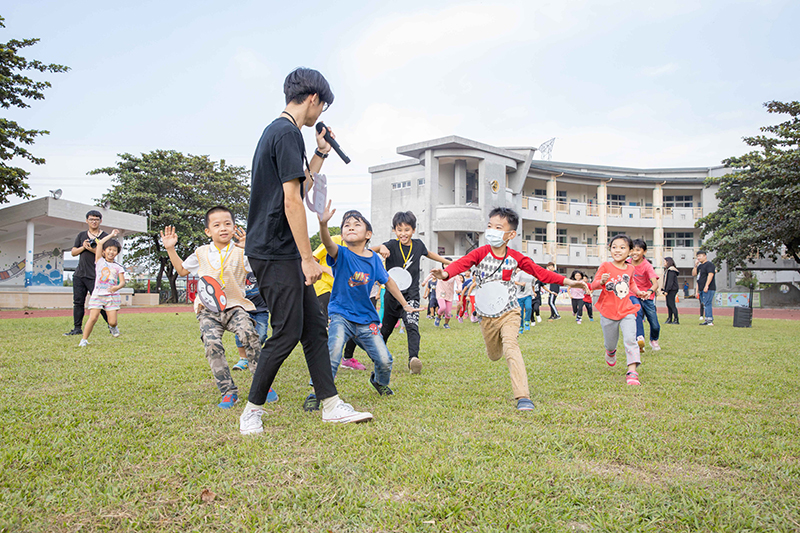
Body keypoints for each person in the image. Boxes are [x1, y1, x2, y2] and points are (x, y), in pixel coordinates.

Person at [240, 68, 372, 435]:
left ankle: (330, 404)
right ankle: (252, 411)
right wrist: (307, 257)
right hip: (274, 249)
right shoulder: (284, 133)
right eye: (323, 104)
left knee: (313, 327)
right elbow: (292, 201)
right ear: (313, 98)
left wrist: (321, 153)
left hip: (278, 248)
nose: (321, 113)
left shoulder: (285, 135)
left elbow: (302, 182)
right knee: (286, 330)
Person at [431, 207, 588, 411]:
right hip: (487, 315)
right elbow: (461, 265)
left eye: (498, 227)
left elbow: (541, 273)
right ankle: (497, 349)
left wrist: (569, 282)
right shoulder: (480, 253)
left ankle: (523, 396)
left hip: (510, 310)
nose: (492, 231)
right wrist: (444, 274)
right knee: (494, 354)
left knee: (511, 346)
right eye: (489, 226)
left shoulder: (515, 257)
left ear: (510, 234)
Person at [161, 207, 263, 409]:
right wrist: (170, 249)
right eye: (216, 225)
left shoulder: (242, 251)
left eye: (227, 224)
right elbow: (181, 270)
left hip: (235, 306)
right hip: (208, 310)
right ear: (208, 231)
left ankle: (262, 384)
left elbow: (260, 270)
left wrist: (250, 250)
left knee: (249, 334)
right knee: (212, 344)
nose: (223, 228)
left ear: (234, 227)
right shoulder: (200, 253)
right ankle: (228, 391)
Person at [317, 206, 417, 398]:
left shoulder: (374, 260)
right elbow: (327, 242)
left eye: (357, 224)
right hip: (341, 316)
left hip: (366, 320)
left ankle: (379, 381)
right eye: (346, 225)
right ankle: (319, 391)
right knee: (333, 352)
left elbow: (389, 282)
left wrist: (405, 304)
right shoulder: (341, 254)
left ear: (368, 234)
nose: (351, 227)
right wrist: (323, 224)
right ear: (342, 234)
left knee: (385, 360)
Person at [369, 211, 451, 374]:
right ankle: (378, 355)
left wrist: (447, 262)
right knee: (385, 330)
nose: (403, 233)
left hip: (411, 295)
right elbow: (370, 250)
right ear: (394, 230)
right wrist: (381, 247)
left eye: (407, 230)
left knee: (412, 326)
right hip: (392, 296)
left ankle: (413, 359)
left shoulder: (418, 245)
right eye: (399, 230)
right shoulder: (391, 245)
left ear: (413, 230)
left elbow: (430, 254)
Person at [589, 234, 648, 386]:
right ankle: (610, 352)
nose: (617, 250)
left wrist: (638, 292)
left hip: (627, 310)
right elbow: (593, 285)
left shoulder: (630, 268)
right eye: (614, 247)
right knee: (610, 343)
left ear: (629, 251)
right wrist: (601, 281)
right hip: (608, 311)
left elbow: (631, 284)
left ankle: (632, 372)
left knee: (630, 339)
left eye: (622, 247)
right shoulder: (605, 266)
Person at [314, 235, 369, 371]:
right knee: (329, 326)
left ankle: (347, 359)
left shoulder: (359, 249)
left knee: (352, 322)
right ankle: (326, 365)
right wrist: (329, 270)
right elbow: (311, 259)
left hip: (342, 291)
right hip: (324, 288)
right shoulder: (333, 241)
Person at [231, 272, 279, 403]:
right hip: (244, 309)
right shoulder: (241, 269)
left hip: (261, 310)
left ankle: (255, 354)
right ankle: (243, 359)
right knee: (240, 333)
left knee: (261, 334)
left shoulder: (262, 269)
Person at [65, 210, 111, 336]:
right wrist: (83, 247)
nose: (94, 222)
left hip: (96, 275)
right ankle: (77, 328)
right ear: (87, 221)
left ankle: (111, 325)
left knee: (100, 302)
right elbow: (73, 252)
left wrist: (92, 249)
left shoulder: (105, 236)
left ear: (100, 221)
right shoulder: (81, 235)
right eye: (91, 219)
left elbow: (107, 254)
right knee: (78, 302)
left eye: (96, 219)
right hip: (80, 274)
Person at [78, 230, 125, 347]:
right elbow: (99, 244)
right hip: (98, 294)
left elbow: (122, 282)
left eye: (114, 250)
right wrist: (112, 235)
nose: (111, 252)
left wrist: (116, 287)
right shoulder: (99, 261)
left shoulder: (118, 267)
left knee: (112, 321)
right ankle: (84, 339)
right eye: (109, 249)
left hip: (112, 296)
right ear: (104, 251)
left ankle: (113, 327)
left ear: (117, 253)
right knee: (93, 318)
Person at [629, 239, 661, 351]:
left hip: (647, 296)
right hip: (632, 293)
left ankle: (654, 340)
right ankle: (639, 338)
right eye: (632, 250)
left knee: (654, 323)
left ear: (644, 251)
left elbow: (655, 283)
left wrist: (649, 292)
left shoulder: (647, 265)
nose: (634, 252)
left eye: (638, 250)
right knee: (637, 312)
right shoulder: (627, 263)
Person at [694, 250, 716, 326]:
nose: (698, 258)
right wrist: (695, 265)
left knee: (707, 303)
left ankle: (709, 320)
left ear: (705, 256)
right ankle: (707, 319)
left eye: (700, 256)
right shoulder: (700, 266)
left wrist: (706, 285)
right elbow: (694, 274)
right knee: (704, 304)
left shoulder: (709, 264)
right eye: (697, 256)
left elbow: (711, 274)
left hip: (709, 288)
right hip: (701, 288)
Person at [662, 257, 680, 325]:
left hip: (672, 289)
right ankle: (669, 318)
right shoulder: (668, 270)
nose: (664, 263)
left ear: (668, 262)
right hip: (670, 289)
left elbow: (670, 282)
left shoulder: (671, 270)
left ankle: (676, 319)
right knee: (668, 304)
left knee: (672, 304)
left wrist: (667, 290)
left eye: (665, 261)